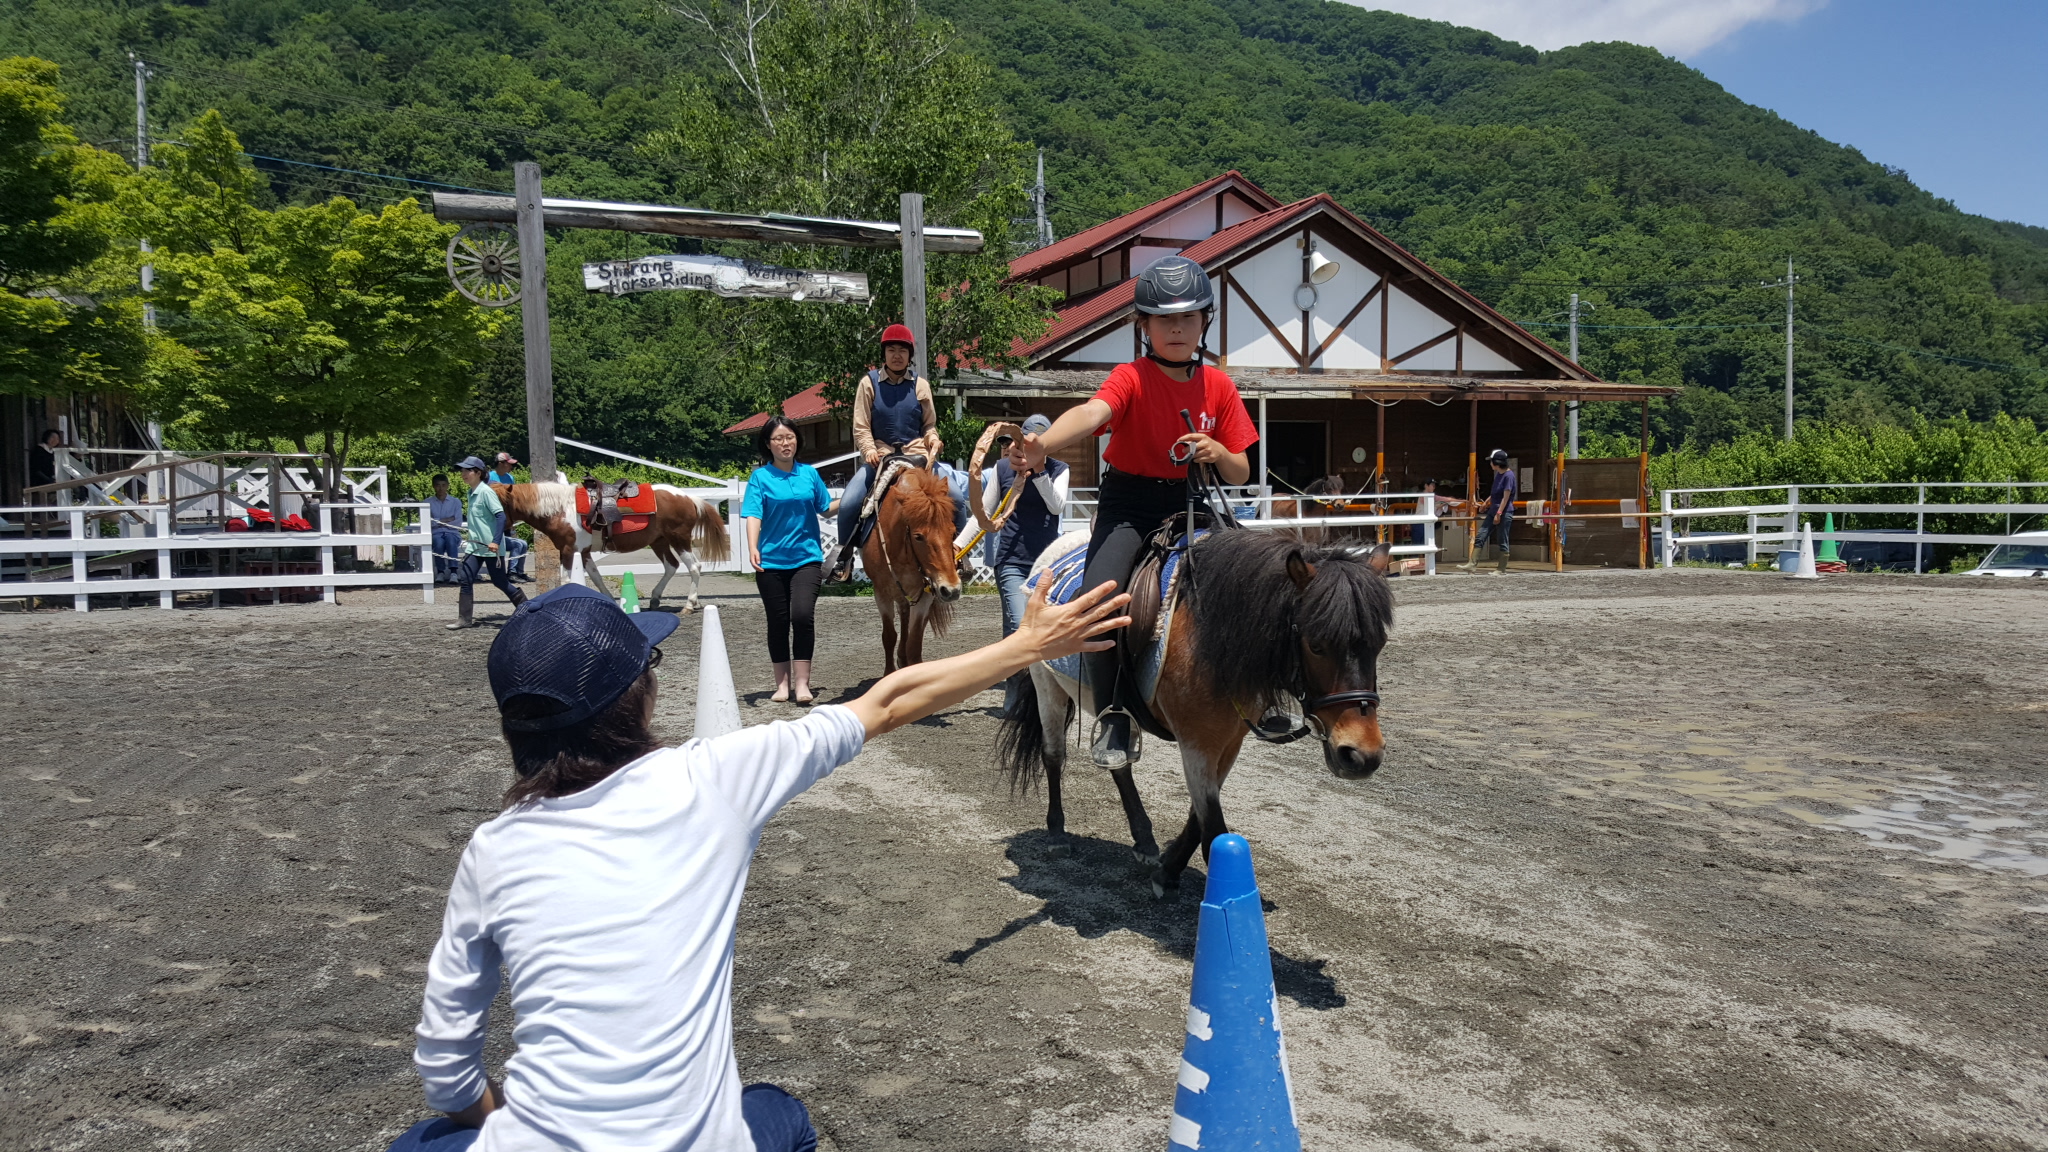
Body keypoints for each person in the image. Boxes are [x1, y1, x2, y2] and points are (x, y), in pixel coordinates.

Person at [388, 570, 1131, 1152]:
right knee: (779, 1114)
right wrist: (1027, 646)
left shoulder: (494, 849)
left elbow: (445, 1070)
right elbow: (888, 702)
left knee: (422, 1139)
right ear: (640, 697)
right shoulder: (713, 779)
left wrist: (509, 1122)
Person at [1019, 255, 1258, 767]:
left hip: (1190, 504)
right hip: (1128, 508)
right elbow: (1093, 413)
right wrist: (1042, 445)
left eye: (1188, 317)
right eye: (1164, 319)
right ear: (1143, 326)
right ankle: (1113, 715)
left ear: (1205, 321)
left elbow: (1240, 471)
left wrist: (1217, 451)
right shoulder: (1130, 376)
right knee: (1100, 602)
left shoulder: (1220, 386)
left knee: (1261, 584)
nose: (1177, 328)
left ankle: (1261, 695)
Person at [827, 325, 956, 583]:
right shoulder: (868, 383)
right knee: (850, 502)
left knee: (957, 499)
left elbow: (929, 424)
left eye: (902, 351)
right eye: (891, 350)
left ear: (909, 356)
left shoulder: (920, 385)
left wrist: (933, 439)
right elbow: (861, 426)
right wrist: (868, 450)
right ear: (884, 354)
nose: (897, 355)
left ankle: (958, 555)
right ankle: (844, 558)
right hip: (881, 457)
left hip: (917, 456)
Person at [966, 413, 1069, 711]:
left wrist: (1038, 472)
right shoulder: (1002, 468)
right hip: (1011, 559)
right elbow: (984, 512)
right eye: (1025, 442)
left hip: (1046, 564)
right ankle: (1016, 696)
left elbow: (1056, 506)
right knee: (1017, 625)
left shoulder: (1059, 469)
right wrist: (958, 546)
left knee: (1039, 628)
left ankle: (1037, 694)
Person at [741, 415, 836, 705]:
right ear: (768, 444)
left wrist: (856, 499)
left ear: (797, 440)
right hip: (770, 562)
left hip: (807, 558)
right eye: (779, 439)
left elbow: (825, 508)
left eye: (790, 437)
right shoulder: (760, 478)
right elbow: (753, 514)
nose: (785, 443)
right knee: (778, 622)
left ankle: (803, 684)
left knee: (802, 616)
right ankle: (782, 686)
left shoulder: (809, 474)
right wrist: (753, 546)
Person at [448, 456, 527, 630]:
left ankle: (527, 610)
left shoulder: (486, 492)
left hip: (490, 547)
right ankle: (464, 619)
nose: (463, 473)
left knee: (500, 582)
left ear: (478, 473)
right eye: (462, 470)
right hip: (475, 546)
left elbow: (501, 517)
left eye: (467, 470)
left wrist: (495, 542)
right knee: (465, 579)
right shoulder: (471, 493)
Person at [1459, 449, 1515, 574]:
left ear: (1497, 463)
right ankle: (1472, 564)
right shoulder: (1499, 475)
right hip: (1492, 510)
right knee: (1481, 535)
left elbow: (1506, 497)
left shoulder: (1509, 476)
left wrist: (1499, 513)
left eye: (1491, 461)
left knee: (1502, 539)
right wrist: (1486, 503)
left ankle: (1501, 568)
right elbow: (1495, 493)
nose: (1490, 464)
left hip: (1504, 512)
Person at [428, 474, 464, 584]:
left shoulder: (455, 502)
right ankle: (440, 571)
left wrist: (437, 521)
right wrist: (446, 520)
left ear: (447, 485)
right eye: (438, 485)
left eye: (443, 485)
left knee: (450, 540)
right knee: (438, 542)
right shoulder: (427, 502)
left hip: (452, 532)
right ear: (433, 486)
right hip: (436, 533)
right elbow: (427, 522)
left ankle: (454, 571)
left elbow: (457, 521)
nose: (441, 488)